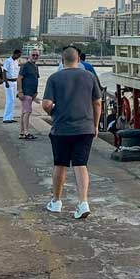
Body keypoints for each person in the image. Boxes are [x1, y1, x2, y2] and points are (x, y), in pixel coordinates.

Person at [42, 46, 102, 220]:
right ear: (79, 60)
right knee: (80, 165)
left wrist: (52, 113)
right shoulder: (89, 77)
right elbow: (98, 102)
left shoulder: (54, 78)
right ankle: (83, 203)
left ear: (62, 60)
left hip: (61, 129)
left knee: (60, 164)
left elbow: (46, 104)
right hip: (85, 128)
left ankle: (56, 202)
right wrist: (95, 125)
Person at [17, 49, 41, 139]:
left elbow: (35, 79)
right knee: (27, 111)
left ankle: (22, 132)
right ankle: (26, 132)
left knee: (24, 112)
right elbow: (19, 78)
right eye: (33, 55)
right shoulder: (25, 66)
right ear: (29, 56)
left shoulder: (35, 67)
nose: (35, 57)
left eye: (37, 55)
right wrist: (20, 91)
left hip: (31, 93)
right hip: (26, 92)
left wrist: (35, 93)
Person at [1, 48, 21, 124]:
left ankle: (11, 117)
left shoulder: (16, 62)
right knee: (10, 100)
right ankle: (6, 118)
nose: (19, 57)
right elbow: (4, 71)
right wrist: (5, 82)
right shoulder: (8, 61)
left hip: (15, 82)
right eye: (18, 55)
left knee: (13, 101)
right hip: (9, 82)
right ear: (15, 54)